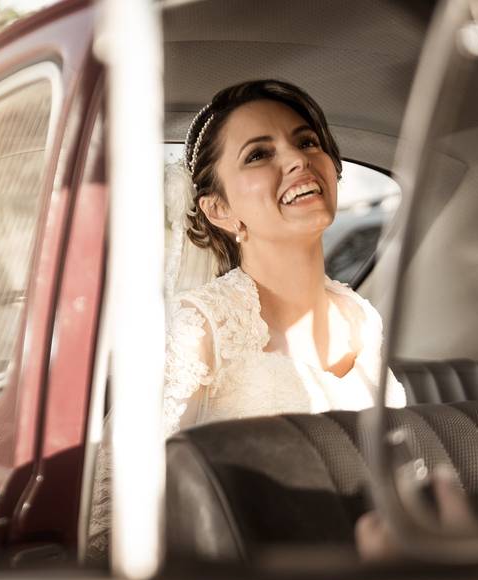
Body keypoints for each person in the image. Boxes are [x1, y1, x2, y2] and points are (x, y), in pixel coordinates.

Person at [163, 79, 406, 436]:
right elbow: (122, 487)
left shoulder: (362, 319)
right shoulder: (199, 331)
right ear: (218, 209)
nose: (298, 159)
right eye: (258, 154)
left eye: (307, 141)